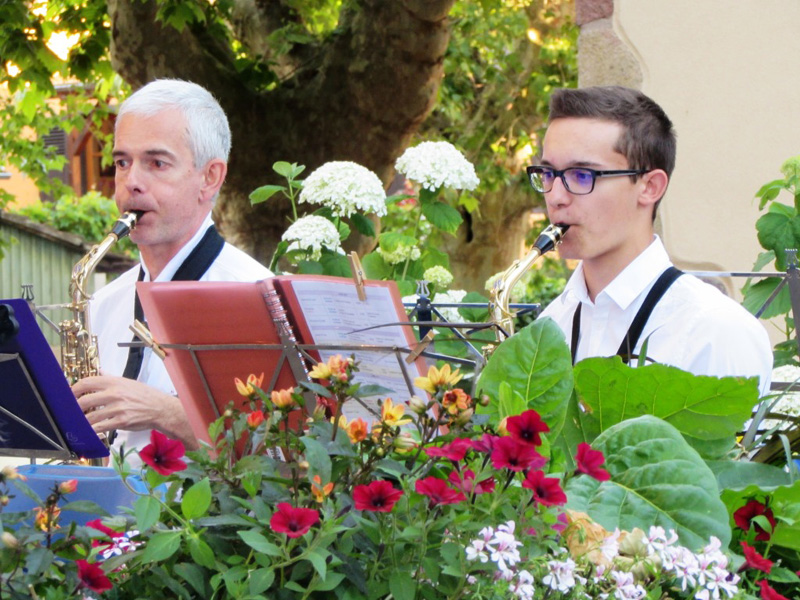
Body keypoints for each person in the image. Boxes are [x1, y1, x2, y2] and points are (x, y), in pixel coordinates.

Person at [73, 79, 273, 461]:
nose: (131, 183)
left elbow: (279, 458)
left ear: (210, 177)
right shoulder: (101, 304)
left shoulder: (261, 298)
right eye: (122, 162)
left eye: (157, 163)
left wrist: (164, 412)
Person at [533, 85, 773, 396]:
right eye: (548, 173)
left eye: (581, 175)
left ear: (650, 187)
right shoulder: (552, 323)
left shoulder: (717, 331)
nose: (555, 197)